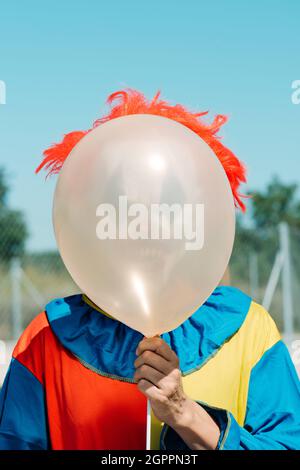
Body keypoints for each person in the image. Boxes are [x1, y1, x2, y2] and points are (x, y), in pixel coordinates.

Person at [0, 90, 299, 450]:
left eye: (165, 206)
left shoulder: (250, 331)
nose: (146, 224)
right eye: (125, 207)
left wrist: (190, 418)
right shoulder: (46, 338)